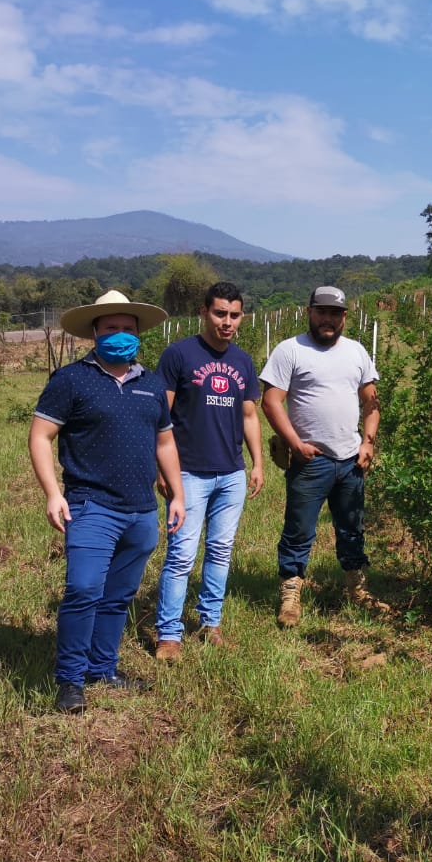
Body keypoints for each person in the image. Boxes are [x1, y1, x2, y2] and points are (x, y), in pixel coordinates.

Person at [28, 290, 185, 714]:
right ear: (94, 332)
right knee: (82, 590)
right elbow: (41, 436)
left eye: (127, 329)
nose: (120, 335)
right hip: (91, 505)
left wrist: (177, 495)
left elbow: (165, 443)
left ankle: (103, 668)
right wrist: (52, 493)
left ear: (139, 334)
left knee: (118, 595)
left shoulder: (152, 385)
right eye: (111, 328)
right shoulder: (71, 380)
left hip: (141, 511)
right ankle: (70, 680)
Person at [152, 282, 263, 660]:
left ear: (241, 317)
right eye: (219, 313)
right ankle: (169, 634)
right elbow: (160, 416)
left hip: (231, 474)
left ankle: (210, 623)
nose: (226, 322)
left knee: (220, 550)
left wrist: (258, 463)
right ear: (204, 312)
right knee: (181, 554)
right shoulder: (178, 355)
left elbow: (250, 416)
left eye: (233, 315)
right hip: (188, 475)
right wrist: (162, 470)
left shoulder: (243, 361)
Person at [260, 285, 382, 626]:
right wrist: (295, 443)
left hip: (350, 460)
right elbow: (271, 401)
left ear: (344, 316)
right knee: (299, 529)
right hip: (310, 460)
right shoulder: (290, 351)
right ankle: (290, 594)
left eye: (335, 313)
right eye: (322, 312)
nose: (328, 319)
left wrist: (368, 443)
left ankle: (356, 588)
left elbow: (372, 403)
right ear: (309, 312)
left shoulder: (356, 352)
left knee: (352, 527)